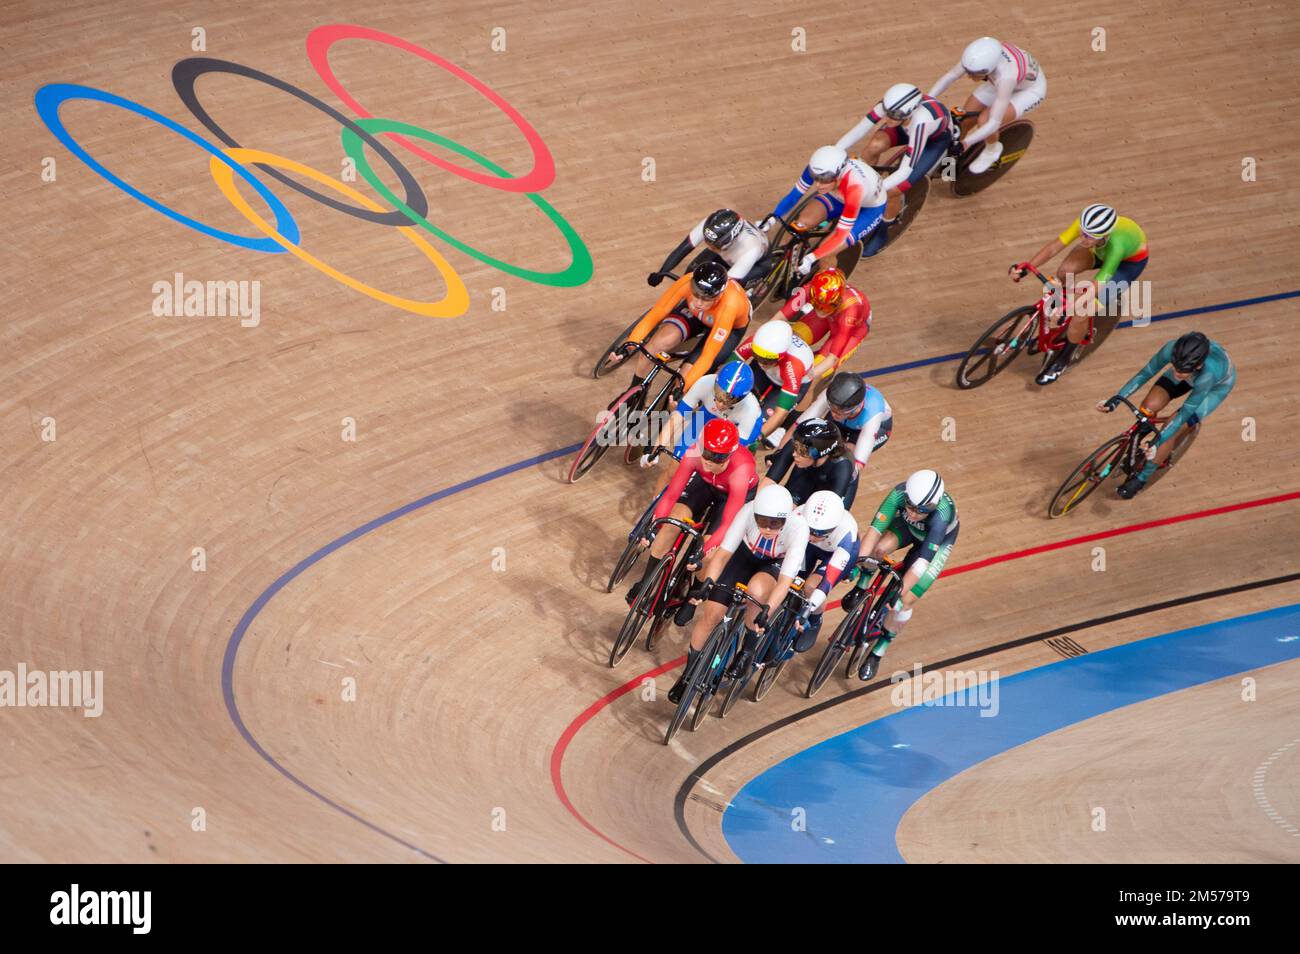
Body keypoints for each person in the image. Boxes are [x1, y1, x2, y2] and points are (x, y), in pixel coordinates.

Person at [666, 483, 810, 704]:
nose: (769, 528)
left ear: (786, 518)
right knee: (711, 615)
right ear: (756, 514)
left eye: (776, 523)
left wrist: (767, 612)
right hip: (744, 555)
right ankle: (688, 676)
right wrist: (708, 584)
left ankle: (747, 650)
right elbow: (723, 555)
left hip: (773, 564)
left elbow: (784, 582)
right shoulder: (747, 511)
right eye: (763, 521)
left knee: (758, 593)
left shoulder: (798, 529)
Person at [1011, 204, 1149, 384]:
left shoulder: (1117, 245)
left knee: (1081, 312)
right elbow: (1054, 247)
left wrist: (1075, 308)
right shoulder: (1087, 226)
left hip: (1126, 265)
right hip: (1099, 250)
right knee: (1065, 271)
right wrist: (1026, 267)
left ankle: (1064, 359)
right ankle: (1059, 317)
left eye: (1089, 236)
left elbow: (1098, 283)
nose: (1083, 237)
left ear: (1104, 235)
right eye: (1082, 232)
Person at [625, 418, 756, 607]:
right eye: (707, 453)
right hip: (705, 483)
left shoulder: (741, 471)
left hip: (730, 497)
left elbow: (727, 523)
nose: (709, 461)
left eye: (718, 457)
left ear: (730, 455)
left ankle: (691, 597)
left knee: (709, 555)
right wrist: (655, 526)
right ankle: (646, 581)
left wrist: (702, 552)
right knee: (672, 521)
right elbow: (671, 495)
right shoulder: (694, 452)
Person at [841, 470, 957, 681]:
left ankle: (879, 651)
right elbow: (873, 533)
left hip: (934, 544)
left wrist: (900, 591)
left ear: (930, 507)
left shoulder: (941, 517)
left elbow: (922, 563)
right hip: (906, 529)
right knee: (878, 550)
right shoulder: (898, 495)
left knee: (905, 599)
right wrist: (857, 565)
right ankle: (863, 586)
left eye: (920, 511)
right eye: (910, 506)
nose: (913, 513)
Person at [1099, 331, 1235, 499]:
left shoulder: (1207, 375)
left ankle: (1141, 478)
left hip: (1215, 388)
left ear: (1197, 366)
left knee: (1171, 427)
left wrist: (1158, 440)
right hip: (1193, 374)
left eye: (1182, 371)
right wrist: (1116, 400)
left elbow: (1184, 412)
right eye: (1175, 366)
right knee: (1149, 406)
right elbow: (1145, 374)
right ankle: (1141, 435)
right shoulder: (1172, 350)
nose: (1177, 372)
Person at [615, 260, 752, 394]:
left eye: (705, 298)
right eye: (696, 294)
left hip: (729, 326)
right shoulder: (688, 281)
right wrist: (628, 346)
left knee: (685, 378)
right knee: (656, 344)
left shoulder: (729, 305)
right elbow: (655, 314)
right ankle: (634, 391)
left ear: (719, 295)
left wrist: (682, 390)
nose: (698, 302)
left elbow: (708, 356)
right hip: (700, 315)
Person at [837, 83, 955, 224]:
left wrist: (875, 191)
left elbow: (906, 169)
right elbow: (860, 129)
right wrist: (835, 151)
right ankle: (863, 181)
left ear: (910, 112)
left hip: (933, 141)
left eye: (892, 116)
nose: (886, 119)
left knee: (891, 191)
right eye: (886, 113)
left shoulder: (922, 123)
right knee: (874, 146)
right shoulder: (891, 106)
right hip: (903, 127)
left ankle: (886, 225)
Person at [761, 146, 887, 276]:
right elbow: (794, 196)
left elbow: (841, 234)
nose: (818, 184)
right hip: (837, 195)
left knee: (826, 253)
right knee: (799, 225)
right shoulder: (819, 170)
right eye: (815, 177)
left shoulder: (855, 187)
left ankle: (822, 289)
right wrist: (772, 219)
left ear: (839, 174)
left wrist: (812, 257)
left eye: (824, 180)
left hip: (869, 209)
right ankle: (781, 265)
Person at [641, 360, 762, 494]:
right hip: (709, 416)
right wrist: (654, 451)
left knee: (711, 473)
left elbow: (732, 452)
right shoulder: (704, 383)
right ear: (715, 383)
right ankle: (655, 512)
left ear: (741, 398)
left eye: (730, 399)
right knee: (674, 468)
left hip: (736, 429)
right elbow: (676, 418)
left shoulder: (750, 410)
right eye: (718, 393)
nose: (721, 404)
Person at [930, 36, 1046, 175]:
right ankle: (949, 168)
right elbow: (950, 76)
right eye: (968, 71)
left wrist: (965, 143)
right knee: (962, 122)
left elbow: (993, 123)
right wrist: (928, 99)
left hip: (1029, 91)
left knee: (984, 120)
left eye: (974, 74)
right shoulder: (975, 57)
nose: (969, 76)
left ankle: (992, 150)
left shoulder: (1006, 76)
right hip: (999, 82)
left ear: (988, 69)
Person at [778, 490, 861, 661]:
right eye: (810, 530)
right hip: (807, 548)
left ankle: (815, 620)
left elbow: (827, 582)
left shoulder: (847, 535)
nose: (813, 536)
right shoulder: (798, 515)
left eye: (819, 533)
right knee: (791, 576)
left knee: (810, 586)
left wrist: (809, 609)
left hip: (834, 554)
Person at [789, 372, 892, 477]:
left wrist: (845, 479)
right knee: (821, 446)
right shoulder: (833, 394)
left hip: (873, 428)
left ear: (856, 408)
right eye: (832, 409)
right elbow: (799, 425)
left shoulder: (872, 413)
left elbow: (858, 462)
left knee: (843, 455)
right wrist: (780, 451)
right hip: (845, 419)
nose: (834, 414)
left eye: (838, 411)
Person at [777, 268, 872, 382]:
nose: (821, 311)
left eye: (826, 308)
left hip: (851, 330)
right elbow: (780, 317)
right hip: (830, 317)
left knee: (814, 376)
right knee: (790, 339)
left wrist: (804, 379)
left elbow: (832, 358)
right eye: (817, 305)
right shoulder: (808, 290)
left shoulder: (851, 311)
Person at [734, 319, 815, 442]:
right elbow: (728, 369)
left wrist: (755, 439)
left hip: (791, 382)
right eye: (757, 357)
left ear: (781, 356)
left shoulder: (793, 367)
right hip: (767, 373)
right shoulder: (756, 343)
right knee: (736, 398)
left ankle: (783, 429)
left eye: (766, 361)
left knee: (757, 424)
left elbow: (779, 413)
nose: (761, 363)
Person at [649, 208, 771, 286]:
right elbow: (684, 248)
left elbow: (726, 286)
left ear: (730, 240)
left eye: (714, 244)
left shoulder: (750, 249)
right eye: (708, 242)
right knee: (690, 276)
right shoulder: (712, 225)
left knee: (724, 295)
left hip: (756, 265)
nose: (710, 246)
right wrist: (661, 272)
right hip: (727, 254)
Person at [763, 417, 858, 507]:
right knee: (787, 505)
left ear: (819, 453)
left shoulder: (842, 466)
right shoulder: (801, 443)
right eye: (795, 447)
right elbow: (768, 482)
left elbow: (829, 512)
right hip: (808, 472)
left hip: (833, 483)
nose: (794, 454)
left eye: (801, 451)